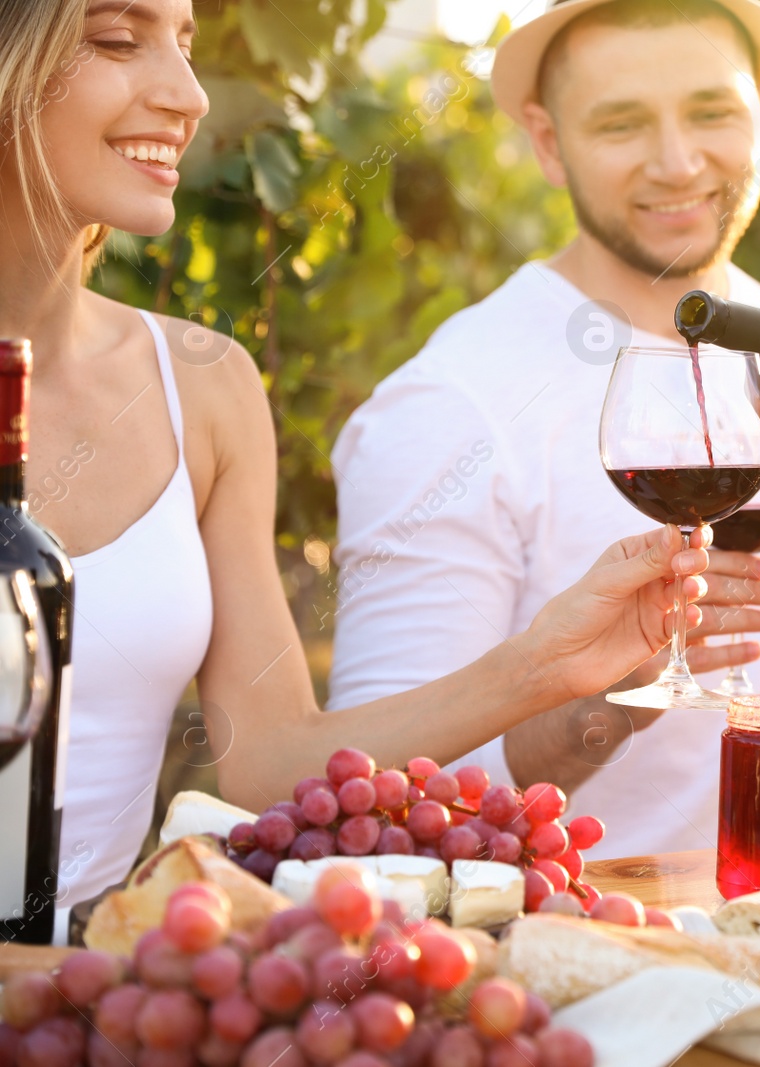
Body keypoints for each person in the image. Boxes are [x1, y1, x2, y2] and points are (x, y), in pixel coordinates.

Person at [0, 0, 716, 932]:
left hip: (86, 998)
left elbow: (268, 767)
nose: (186, 95)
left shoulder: (203, 388)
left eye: (185, 44)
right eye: (114, 39)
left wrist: (545, 664)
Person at [327, 0, 760, 861]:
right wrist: (612, 702)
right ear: (548, 143)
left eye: (711, 112)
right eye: (622, 123)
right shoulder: (447, 403)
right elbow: (385, 795)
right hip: (576, 965)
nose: (677, 161)